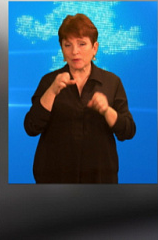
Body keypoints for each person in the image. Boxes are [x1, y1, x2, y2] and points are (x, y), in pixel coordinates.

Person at [24, 13, 137, 183]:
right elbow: (31, 127)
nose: (74, 51)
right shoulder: (49, 81)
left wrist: (107, 111)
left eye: (82, 44)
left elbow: (128, 131)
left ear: (95, 48)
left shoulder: (112, 82)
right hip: (53, 179)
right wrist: (52, 91)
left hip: (100, 179)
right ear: (62, 49)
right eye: (67, 45)